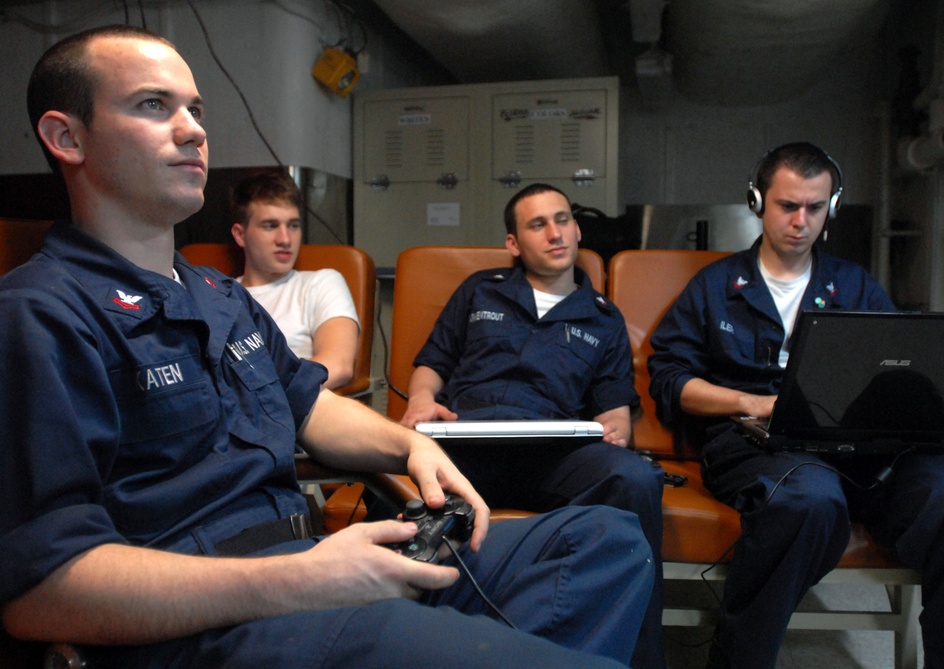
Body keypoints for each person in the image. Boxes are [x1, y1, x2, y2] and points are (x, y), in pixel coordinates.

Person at [0, 25, 657, 669]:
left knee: (603, 540)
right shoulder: (41, 313)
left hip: (314, 562)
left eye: (195, 109)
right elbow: (40, 593)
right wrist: (303, 580)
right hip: (214, 613)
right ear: (67, 137)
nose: (194, 129)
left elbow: (310, 405)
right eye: (153, 105)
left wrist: (411, 445)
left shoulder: (217, 295)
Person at [647, 141, 944, 669]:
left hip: (863, 448)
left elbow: (899, 367)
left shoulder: (855, 286)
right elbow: (669, 379)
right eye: (788, 206)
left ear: (831, 208)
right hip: (758, 443)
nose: (801, 221)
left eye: (815, 207)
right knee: (809, 500)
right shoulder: (716, 287)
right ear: (758, 202)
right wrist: (755, 402)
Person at [400, 182, 667, 669]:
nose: (554, 232)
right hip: (467, 443)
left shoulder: (604, 319)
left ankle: (642, 658)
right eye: (537, 224)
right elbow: (433, 362)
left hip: (551, 454)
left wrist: (614, 433)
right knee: (403, 493)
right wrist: (420, 401)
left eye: (562, 219)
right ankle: (403, 642)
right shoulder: (480, 289)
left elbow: (613, 408)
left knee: (635, 477)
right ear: (513, 243)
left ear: (577, 228)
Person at [230, 170, 359, 391]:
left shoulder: (320, 284)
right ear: (240, 235)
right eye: (270, 226)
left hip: (294, 416)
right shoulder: (221, 295)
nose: (285, 239)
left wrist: (256, 396)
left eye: (293, 225)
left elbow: (339, 365)